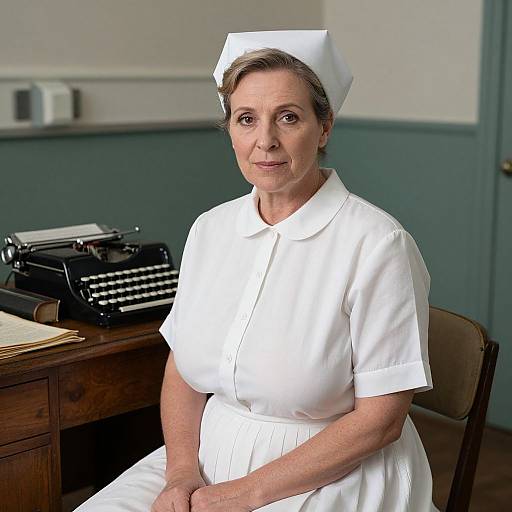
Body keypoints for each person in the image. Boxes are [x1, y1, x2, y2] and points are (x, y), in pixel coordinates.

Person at [76, 30, 439, 512]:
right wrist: (182, 475)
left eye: (288, 117)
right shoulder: (211, 230)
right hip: (206, 455)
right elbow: (184, 371)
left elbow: (380, 421)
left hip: (334, 468)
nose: (265, 141)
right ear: (230, 128)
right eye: (247, 119)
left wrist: (240, 495)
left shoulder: (378, 245)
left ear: (324, 126)